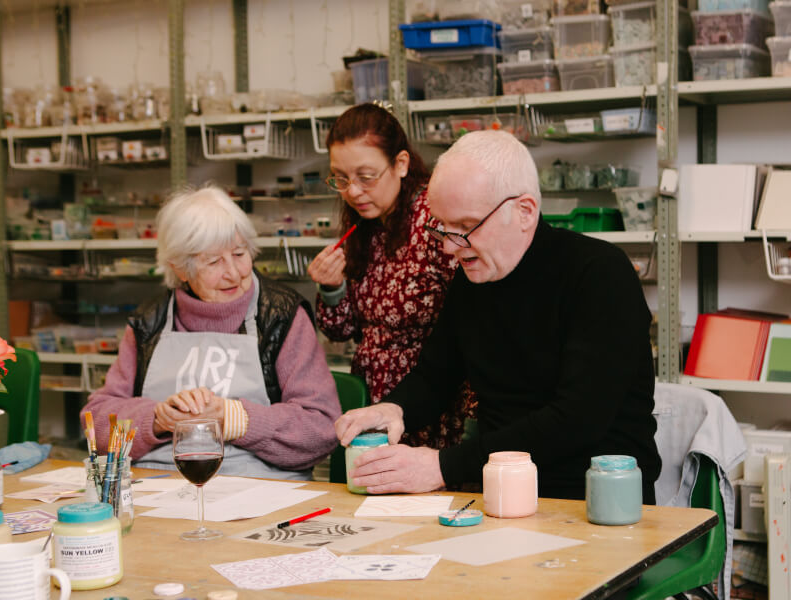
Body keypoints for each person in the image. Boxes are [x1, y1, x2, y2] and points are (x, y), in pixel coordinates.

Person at [334, 130, 661, 501]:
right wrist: (394, 409)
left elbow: (576, 420)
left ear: (524, 211)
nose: (449, 246)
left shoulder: (599, 274)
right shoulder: (473, 277)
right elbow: (436, 374)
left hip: (594, 497)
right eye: (442, 227)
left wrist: (440, 466)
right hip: (502, 492)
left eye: (466, 226)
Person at [83, 185, 341, 479]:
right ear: (180, 269)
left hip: (260, 487)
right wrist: (156, 419)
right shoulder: (149, 322)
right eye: (214, 262)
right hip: (158, 486)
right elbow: (97, 423)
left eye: (240, 253)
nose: (234, 272)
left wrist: (233, 418)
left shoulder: (281, 316)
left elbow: (321, 429)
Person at [307, 102, 475, 450]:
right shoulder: (364, 226)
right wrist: (332, 288)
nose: (353, 191)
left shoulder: (435, 219)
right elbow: (343, 331)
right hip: (374, 405)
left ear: (400, 164)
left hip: (433, 405)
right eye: (340, 178)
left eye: (366, 177)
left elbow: (471, 322)